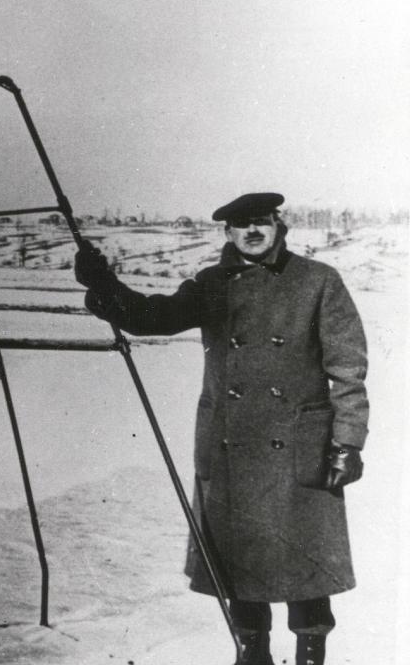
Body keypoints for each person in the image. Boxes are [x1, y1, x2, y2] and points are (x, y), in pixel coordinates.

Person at [74, 193, 368, 665]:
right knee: (240, 564)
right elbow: (156, 317)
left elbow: (348, 370)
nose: (252, 232)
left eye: (261, 222)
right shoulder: (214, 284)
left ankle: (312, 655)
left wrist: (347, 443)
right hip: (230, 447)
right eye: (240, 225)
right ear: (227, 234)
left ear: (278, 225)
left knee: (305, 566)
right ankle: (251, 656)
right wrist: (104, 283)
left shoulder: (318, 282)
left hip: (298, 447)